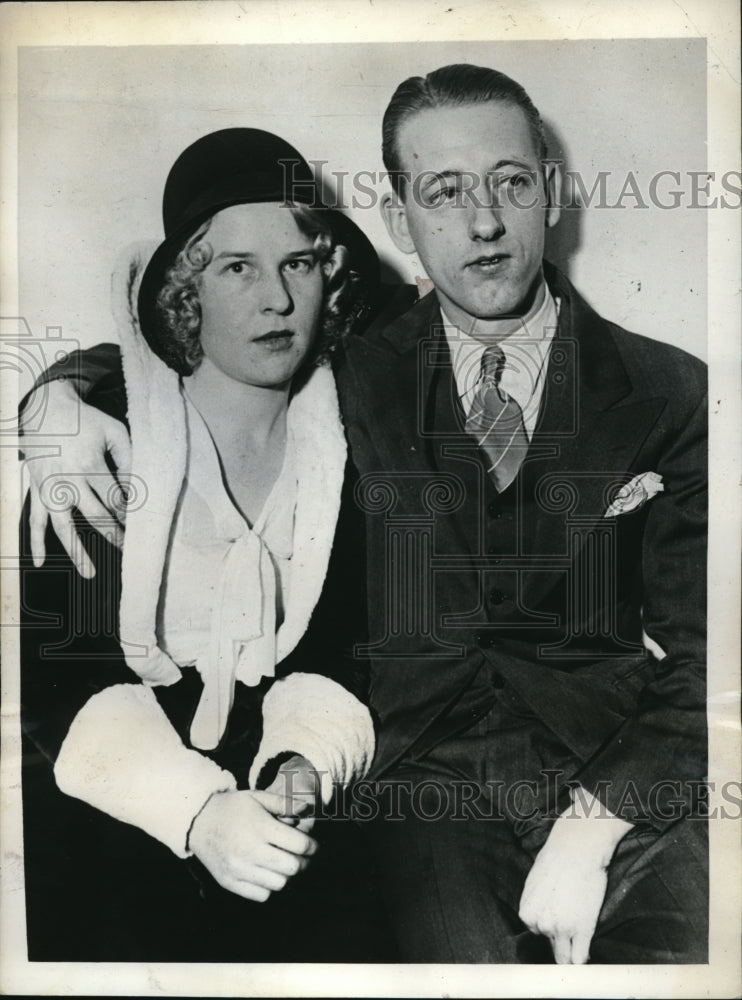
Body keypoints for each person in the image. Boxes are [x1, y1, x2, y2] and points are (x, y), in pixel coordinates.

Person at [21, 65, 708, 965]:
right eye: (443, 192)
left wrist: (595, 826)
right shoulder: (353, 368)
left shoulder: (676, 392)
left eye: (509, 182)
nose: (484, 222)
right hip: (422, 791)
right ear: (399, 220)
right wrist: (58, 398)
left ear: (552, 190)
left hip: (621, 782)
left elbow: (710, 663)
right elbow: (189, 354)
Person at [18, 127, 388, 962]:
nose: (277, 300)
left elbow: (347, 651)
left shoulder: (353, 447)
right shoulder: (98, 443)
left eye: (298, 263)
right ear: (186, 288)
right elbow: (56, 678)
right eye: (236, 267)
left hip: (277, 777)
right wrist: (198, 813)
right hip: (110, 793)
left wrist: (301, 766)